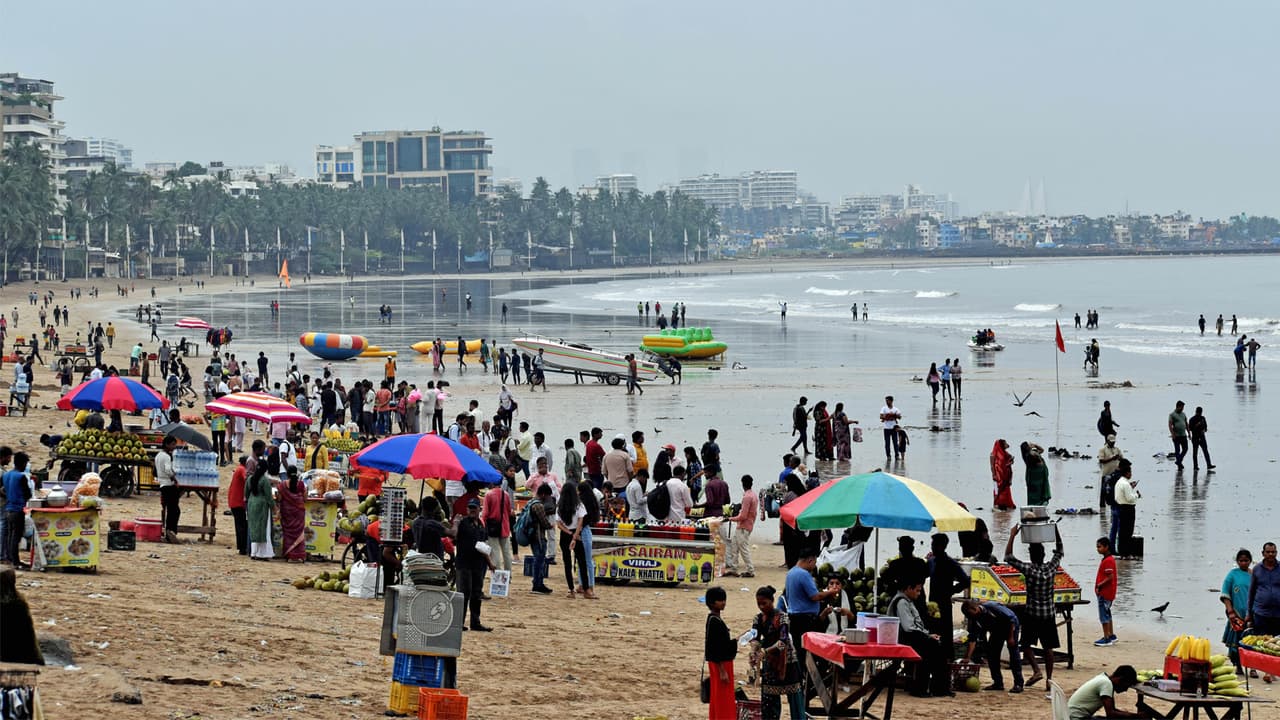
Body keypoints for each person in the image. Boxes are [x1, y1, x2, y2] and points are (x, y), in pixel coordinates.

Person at [1004, 523, 1064, 687]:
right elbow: (1059, 550)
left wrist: (1012, 536)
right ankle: (1049, 679)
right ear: (1044, 554)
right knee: (1048, 647)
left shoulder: (1029, 569)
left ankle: (1037, 670)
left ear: (1031, 556)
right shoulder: (1051, 568)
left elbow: (1008, 557)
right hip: (1049, 614)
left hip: (1032, 613)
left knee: (1025, 644)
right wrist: (1055, 531)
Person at [751, 585, 805, 719]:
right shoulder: (758, 619)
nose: (762, 607)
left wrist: (765, 651)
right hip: (770, 662)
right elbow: (755, 637)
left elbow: (783, 641)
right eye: (759, 604)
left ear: (772, 601)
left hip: (788, 661)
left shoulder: (782, 617)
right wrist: (754, 650)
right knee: (769, 700)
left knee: (794, 698)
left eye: (764, 603)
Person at [891, 581, 952, 697]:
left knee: (940, 648)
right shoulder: (901, 602)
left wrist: (928, 635)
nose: (919, 593)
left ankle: (939, 687)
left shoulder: (908, 602)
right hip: (905, 638)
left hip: (913, 636)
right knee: (930, 649)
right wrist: (927, 636)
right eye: (917, 590)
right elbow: (908, 627)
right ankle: (921, 688)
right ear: (909, 588)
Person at [784, 549, 840, 671]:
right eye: (814, 562)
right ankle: (810, 677)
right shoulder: (804, 574)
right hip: (805, 619)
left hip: (794, 617)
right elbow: (815, 596)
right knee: (811, 650)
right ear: (810, 560)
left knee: (800, 649)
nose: (815, 566)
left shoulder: (791, 573)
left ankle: (803, 676)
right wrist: (830, 592)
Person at [961, 599, 1024, 693]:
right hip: (996, 630)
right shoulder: (974, 619)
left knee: (1013, 653)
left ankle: (1018, 683)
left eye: (969, 614)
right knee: (992, 654)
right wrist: (967, 657)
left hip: (1010, 626)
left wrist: (1011, 638)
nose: (969, 616)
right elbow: (973, 639)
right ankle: (998, 682)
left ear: (975, 609)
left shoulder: (992, 607)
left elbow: (1010, 619)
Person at [454, 498, 495, 631]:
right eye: (470, 507)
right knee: (463, 594)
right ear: (467, 509)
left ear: (479, 509)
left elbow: (483, 546)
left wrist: (490, 564)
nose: (472, 510)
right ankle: (458, 623)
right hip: (464, 563)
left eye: (474, 508)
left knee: (476, 594)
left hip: (478, 564)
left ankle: (475, 622)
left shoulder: (482, 526)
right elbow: (453, 536)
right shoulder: (462, 523)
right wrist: (455, 522)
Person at [928, 533, 970, 643]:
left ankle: (946, 657)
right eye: (932, 544)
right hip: (932, 602)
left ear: (941, 546)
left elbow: (965, 581)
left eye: (934, 545)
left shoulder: (951, 563)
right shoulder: (931, 561)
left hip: (944, 602)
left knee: (945, 632)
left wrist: (952, 590)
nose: (932, 547)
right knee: (932, 630)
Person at [555, 482, 593, 599]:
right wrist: (575, 536)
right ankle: (586, 589)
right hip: (577, 534)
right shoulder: (579, 505)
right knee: (582, 562)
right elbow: (581, 521)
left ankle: (571, 590)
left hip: (565, 534)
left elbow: (559, 524)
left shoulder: (560, 506)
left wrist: (569, 533)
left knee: (567, 563)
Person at [1065, 666, 1147, 720]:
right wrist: (1136, 716)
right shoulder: (1106, 684)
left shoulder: (1103, 678)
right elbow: (1111, 714)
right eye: (1126, 686)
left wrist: (1132, 716)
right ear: (1120, 679)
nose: (1125, 690)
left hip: (1070, 715)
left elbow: (1113, 710)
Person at [704, 585, 737, 719]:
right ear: (712, 602)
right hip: (721, 664)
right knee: (723, 697)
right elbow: (714, 647)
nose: (723, 602)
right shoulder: (715, 622)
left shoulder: (714, 619)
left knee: (719, 696)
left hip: (719, 663)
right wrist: (722, 670)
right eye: (720, 600)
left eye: (724, 599)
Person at [1220, 548, 1252, 675]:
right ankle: (1238, 665)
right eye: (1241, 560)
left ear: (1250, 561)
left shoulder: (1253, 574)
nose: (1244, 563)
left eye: (1246, 560)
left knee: (1251, 641)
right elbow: (1225, 594)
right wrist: (1230, 611)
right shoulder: (1232, 575)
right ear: (1237, 561)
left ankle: (1252, 668)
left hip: (1251, 614)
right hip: (1236, 613)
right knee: (1236, 641)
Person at [246, 442, 276, 561]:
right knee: (264, 530)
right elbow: (269, 497)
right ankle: (263, 553)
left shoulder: (250, 479)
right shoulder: (264, 481)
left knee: (254, 529)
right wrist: (274, 508)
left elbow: (246, 493)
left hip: (252, 503)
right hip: (262, 505)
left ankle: (254, 552)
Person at [724, 475, 758, 578]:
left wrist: (729, 518)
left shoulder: (747, 497)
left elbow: (743, 516)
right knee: (734, 546)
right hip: (745, 525)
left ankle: (750, 570)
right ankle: (734, 568)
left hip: (744, 526)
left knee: (743, 548)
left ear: (742, 483)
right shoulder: (753, 495)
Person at [1246, 542, 1280, 645]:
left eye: (1273, 552)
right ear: (1263, 553)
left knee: (1276, 644)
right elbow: (1251, 592)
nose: (1270, 554)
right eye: (1268, 552)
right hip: (1261, 614)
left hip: (1278, 614)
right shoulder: (1257, 569)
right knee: (1261, 642)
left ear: (1276, 553)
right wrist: (1249, 614)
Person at [1, 453, 31, 566]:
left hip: (8, 508)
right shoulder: (21, 476)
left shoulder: (6, 475)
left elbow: (2, 490)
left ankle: (10, 558)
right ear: (23, 464)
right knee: (16, 536)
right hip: (17, 509)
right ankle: (15, 561)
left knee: (10, 535)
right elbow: (27, 494)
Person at [482, 474, 513, 573]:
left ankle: (498, 574)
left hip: (492, 527)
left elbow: (485, 513)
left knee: (495, 552)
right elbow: (509, 511)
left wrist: (483, 524)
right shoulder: (506, 494)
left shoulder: (489, 494)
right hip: (505, 527)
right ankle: (508, 574)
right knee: (506, 552)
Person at [155, 436, 181, 543]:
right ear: (167, 444)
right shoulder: (166, 457)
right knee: (174, 510)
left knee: (170, 509)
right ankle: (171, 531)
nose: (174, 447)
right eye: (173, 444)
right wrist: (174, 477)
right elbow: (167, 470)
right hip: (168, 485)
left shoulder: (158, 455)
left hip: (162, 484)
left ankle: (168, 531)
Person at [278, 466, 307, 562]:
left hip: (287, 513)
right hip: (299, 513)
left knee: (288, 533)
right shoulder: (301, 485)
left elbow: (279, 498)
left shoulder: (282, 485)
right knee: (299, 533)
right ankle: (299, 556)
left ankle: (290, 555)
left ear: (287, 474)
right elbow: (305, 498)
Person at [1113, 461, 1139, 558]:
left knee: (1122, 531)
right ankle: (1127, 553)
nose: (1131, 474)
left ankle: (1122, 552)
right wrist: (1136, 495)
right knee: (1128, 532)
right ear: (1127, 473)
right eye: (1130, 472)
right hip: (1128, 509)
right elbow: (1129, 498)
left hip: (1121, 507)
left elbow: (1116, 497)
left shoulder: (1119, 482)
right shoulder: (1126, 484)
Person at [1095, 537, 1118, 646]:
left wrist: (1099, 585)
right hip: (1108, 592)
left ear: (1106, 547)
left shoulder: (1108, 561)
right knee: (1108, 614)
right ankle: (1111, 634)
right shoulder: (1108, 559)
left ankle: (1106, 637)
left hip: (1105, 592)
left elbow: (1110, 577)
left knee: (1103, 615)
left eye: (1099, 547)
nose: (1097, 549)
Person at [227, 455, 249, 555]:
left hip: (235, 501)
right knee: (242, 525)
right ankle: (242, 547)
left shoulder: (239, 469)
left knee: (239, 524)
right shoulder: (242, 469)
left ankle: (241, 546)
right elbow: (247, 480)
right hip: (238, 501)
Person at [1097, 435, 1124, 508]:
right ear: (1107, 441)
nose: (1113, 443)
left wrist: (1119, 458)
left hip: (1116, 474)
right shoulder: (1102, 450)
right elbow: (1101, 460)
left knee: (1115, 491)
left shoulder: (1117, 449)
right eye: (1111, 442)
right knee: (1104, 491)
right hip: (1106, 473)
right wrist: (1112, 458)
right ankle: (1102, 507)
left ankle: (1114, 505)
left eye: (1114, 442)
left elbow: (1122, 459)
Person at [1020, 441, 1050, 506]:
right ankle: (1039, 505)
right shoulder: (1030, 454)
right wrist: (1033, 446)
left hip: (1037, 475)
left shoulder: (1028, 454)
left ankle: (1038, 505)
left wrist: (1035, 445)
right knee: (1038, 491)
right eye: (1029, 445)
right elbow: (1037, 454)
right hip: (1036, 475)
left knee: (1038, 490)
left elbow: (1042, 450)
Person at [1187, 406, 1216, 471]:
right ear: (1197, 412)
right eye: (1199, 413)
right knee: (1197, 452)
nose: (1199, 414)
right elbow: (1191, 429)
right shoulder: (1193, 419)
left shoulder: (1201, 418)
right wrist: (1197, 426)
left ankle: (1207, 465)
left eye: (1199, 413)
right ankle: (1197, 466)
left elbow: (1205, 428)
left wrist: (1204, 430)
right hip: (1196, 437)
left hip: (1200, 437)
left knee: (1204, 451)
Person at [990, 439, 1016, 510]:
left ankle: (1006, 504)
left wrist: (1010, 462)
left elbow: (1010, 460)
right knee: (997, 490)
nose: (1006, 444)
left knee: (1005, 489)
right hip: (998, 476)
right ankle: (997, 504)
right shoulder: (993, 454)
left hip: (1005, 475)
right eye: (1004, 443)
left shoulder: (1006, 454)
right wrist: (994, 475)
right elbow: (992, 466)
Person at [1168, 400, 1189, 470]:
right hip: (1176, 436)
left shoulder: (1183, 414)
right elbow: (1170, 425)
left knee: (1185, 449)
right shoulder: (1172, 415)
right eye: (1182, 407)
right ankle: (1179, 465)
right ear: (1178, 406)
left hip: (1183, 435)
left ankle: (1178, 461)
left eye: (1183, 408)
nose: (1183, 409)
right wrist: (1172, 434)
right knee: (1177, 450)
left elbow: (1186, 423)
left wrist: (1189, 433)